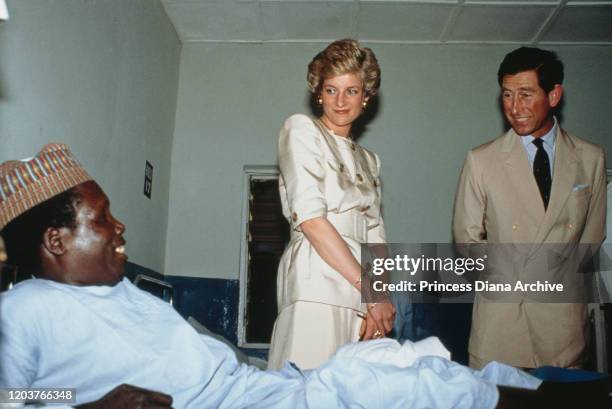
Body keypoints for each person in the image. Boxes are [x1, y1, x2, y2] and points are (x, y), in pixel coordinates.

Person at [1, 144, 611, 409]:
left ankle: (532, 390)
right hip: (239, 402)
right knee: (386, 387)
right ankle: (543, 401)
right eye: (101, 220)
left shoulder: (125, 293)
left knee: (387, 363)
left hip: (256, 390)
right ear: (55, 241)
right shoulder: (25, 308)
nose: (118, 228)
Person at [453, 47, 607, 369]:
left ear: (554, 95)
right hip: (501, 325)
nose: (515, 107)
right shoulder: (481, 160)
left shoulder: (591, 158)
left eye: (525, 94)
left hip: (563, 328)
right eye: (507, 95)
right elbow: (466, 241)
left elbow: (590, 242)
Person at [268, 39, 395, 370]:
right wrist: (370, 291)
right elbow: (310, 219)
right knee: (304, 391)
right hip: (316, 280)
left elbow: (375, 235)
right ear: (318, 93)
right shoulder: (301, 130)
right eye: (331, 90)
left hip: (362, 291)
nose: (341, 101)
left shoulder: (370, 160)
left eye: (351, 91)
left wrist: (377, 297)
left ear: (366, 96)